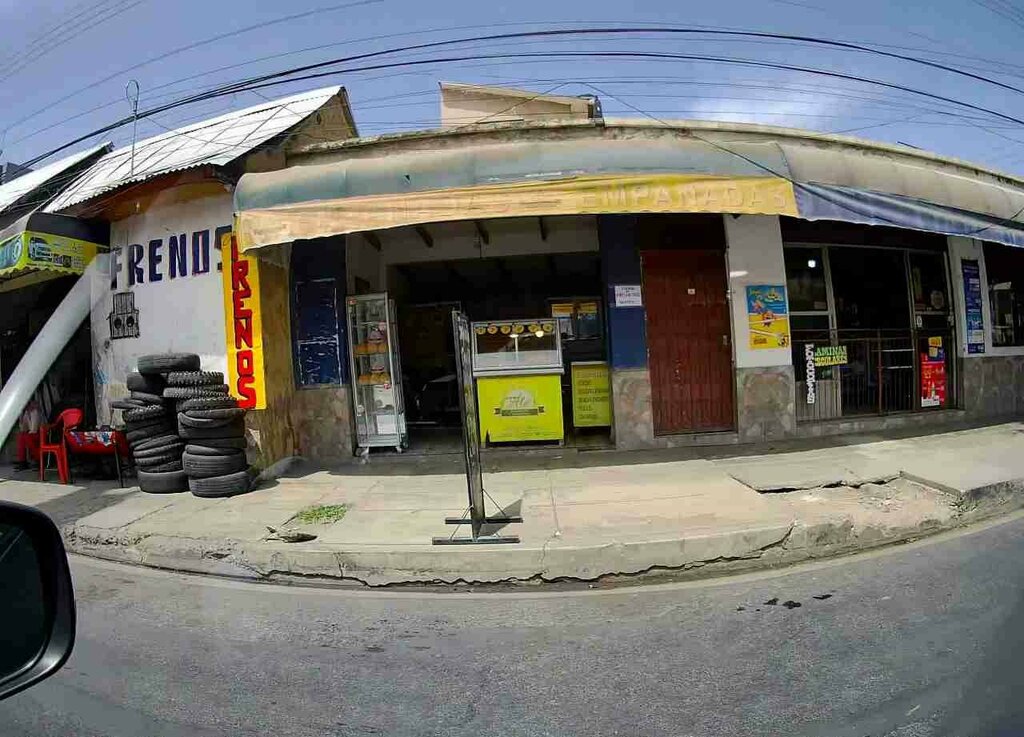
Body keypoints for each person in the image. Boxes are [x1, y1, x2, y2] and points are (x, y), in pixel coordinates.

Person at [12, 399, 42, 471]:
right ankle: (22, 462)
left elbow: (34, 429)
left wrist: (26, 432)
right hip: (32, 433)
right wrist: (21, 417)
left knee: (26, 437)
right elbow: (23, 428)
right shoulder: (26, 412)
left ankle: (39, 461)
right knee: (21, 436)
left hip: (41, 433)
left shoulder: (35, 411)